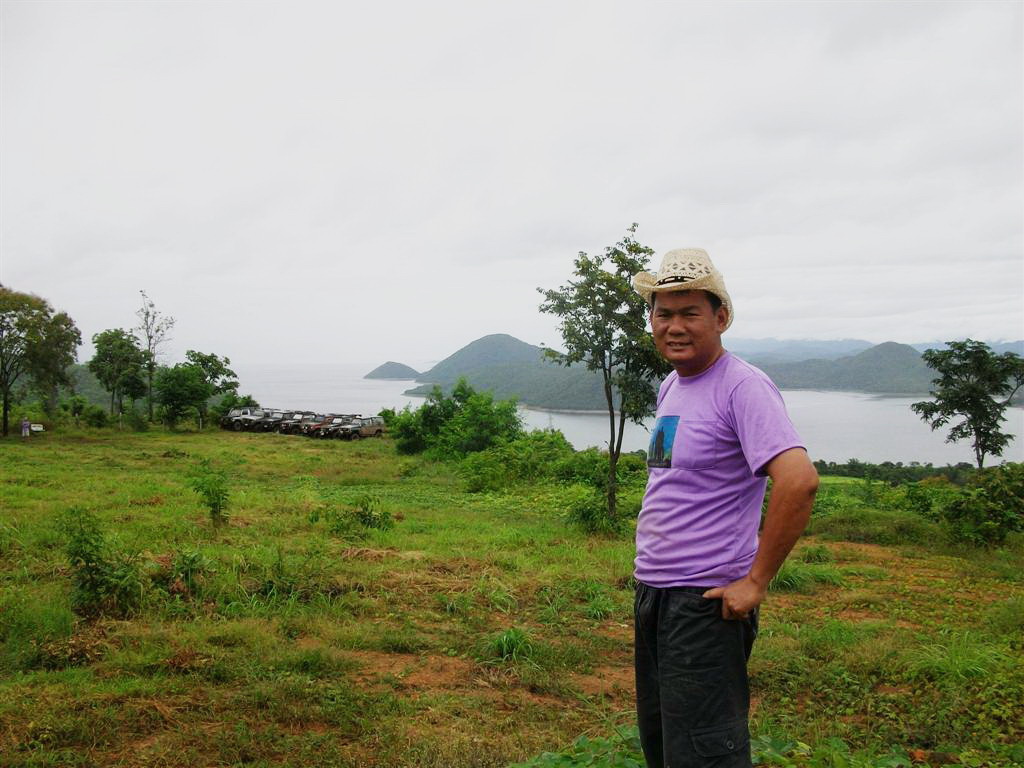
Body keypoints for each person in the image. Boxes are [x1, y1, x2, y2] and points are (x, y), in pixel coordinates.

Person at [631, 248, 819, 768]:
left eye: (689, 313)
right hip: (655, 593)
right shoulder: (672, 385)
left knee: (705, 752)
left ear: (721, 318)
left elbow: (799, 481)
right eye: (663, 314)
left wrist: (755, 581)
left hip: (705, 602)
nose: (674, 327)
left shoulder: (742, 386)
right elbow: (672, 478)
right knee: (663, 744)